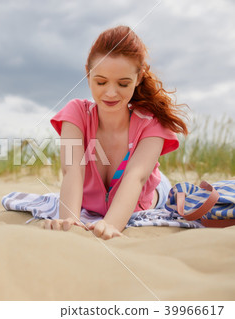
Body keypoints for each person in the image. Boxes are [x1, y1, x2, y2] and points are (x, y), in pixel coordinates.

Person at [43, 25, 188, 239]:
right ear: (88, 73)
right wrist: (70, 220)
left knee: (152, 179)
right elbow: (72, 169)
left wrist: (110, 225)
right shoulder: (76, 113)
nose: (111, 93)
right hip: (100, 197)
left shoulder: (151, 123)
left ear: (138, 79)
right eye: (101, 82)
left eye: (123, 83)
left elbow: (136, 178)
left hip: (150, 192)